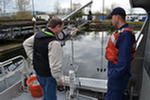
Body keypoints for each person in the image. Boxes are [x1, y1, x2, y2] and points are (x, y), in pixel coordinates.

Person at [23, 18, 64, 100]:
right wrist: (59, 80)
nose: (61, 31)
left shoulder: (38, 34)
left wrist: (33, 59)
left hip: (38, 73)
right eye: (61, 28)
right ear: (58, 26)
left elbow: (26, 43)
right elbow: (54, 67)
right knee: (51, 97)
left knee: (45, 92)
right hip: (48, 76)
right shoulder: (54, 43)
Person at [105, 7, 136, 100]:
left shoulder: (125, 34)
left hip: (117, 78)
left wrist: (114, 76)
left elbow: (124, 60)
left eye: (111, 18)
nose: (110, 20)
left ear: (117, 17)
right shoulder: (122, 32)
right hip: (115, 75)